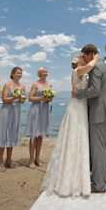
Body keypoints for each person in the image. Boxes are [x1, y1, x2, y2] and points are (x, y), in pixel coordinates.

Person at [41, 53, 99, 197]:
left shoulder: (81, 71)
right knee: (74, 136)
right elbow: (91, 65)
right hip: (77, 107)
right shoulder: (78, 70)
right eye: (81, 56)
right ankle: (68, 179)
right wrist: (96, 58)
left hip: (81, 105)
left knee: (80, 137)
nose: (84, 58)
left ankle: (79, 177)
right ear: (76, 61)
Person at [72, 44, 106, 193]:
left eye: (83, 55)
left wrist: (78, 93)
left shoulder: (95, 68)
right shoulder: (105, 66)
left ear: (90, 54)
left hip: (99, 112)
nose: (83, 58)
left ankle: (98, 185)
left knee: (99, 148)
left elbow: (95, 90)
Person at [0, 67, 26, 172]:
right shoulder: (7, 85)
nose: (19, 75)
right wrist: (15, 97)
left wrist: (21, 99)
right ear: (13, 74)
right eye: (18, 73)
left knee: (12, 135)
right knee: (3, 134)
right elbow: (4, 100)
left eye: (21, 73)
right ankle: (0, 161)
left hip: (16, 111)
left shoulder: (23, 86)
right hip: (6, 110)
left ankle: (9, 160)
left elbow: (23, 101)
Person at [25, 67, 54, 169]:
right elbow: (30, 98)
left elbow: (50, 99)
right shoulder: (35, 84)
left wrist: (49, 99)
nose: (45, 73)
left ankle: (37, 158)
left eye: (46, 71)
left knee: (40, 135)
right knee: (34, 134)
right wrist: (41, 98)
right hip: (36, 109)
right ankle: (31, 159)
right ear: (39, 73)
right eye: (43, 72)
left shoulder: (49, 85)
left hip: (44, 110)